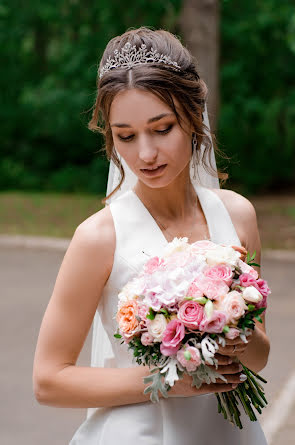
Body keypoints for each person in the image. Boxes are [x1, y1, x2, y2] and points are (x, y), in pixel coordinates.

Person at [32, 26, 270, 444]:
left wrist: (230, 320)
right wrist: (163, 378)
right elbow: (49, 380)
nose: (145, 154)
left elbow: (260, 356)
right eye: (125, 136)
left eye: (162, 129)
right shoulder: (98, 238)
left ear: (194, 118)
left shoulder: (238, 214)